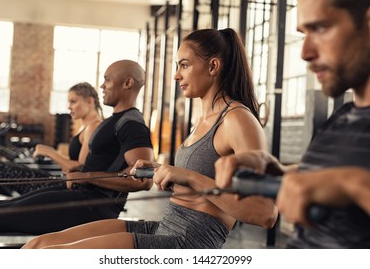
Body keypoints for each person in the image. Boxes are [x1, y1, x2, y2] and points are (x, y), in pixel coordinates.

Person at [23, 28, 278, 249]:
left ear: (213, 66)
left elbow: (265, 213)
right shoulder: (202, 120)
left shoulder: (237, 119)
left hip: (186, 245)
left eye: (184, 65)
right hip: (165, 228)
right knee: (38, 245)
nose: (177, 75)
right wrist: (159, 170)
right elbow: (201, 176)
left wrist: (188, 177)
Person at [215, 0, 370, 248]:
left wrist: (351, 183)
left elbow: (346, 180)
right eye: (303, 34)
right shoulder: (344, 117)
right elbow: (330, 178)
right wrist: (278, 171)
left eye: (320, 28)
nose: (305, 52)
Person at [0, 60, 154, 244]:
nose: (102, 85)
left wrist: (85, 176)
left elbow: (143, 179)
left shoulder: (131, 124)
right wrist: (80, 173)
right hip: (77, 192)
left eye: (107, 80)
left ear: (127, 83)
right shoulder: (116, 120)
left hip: (92, 206)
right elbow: (94, 165)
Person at [0, 82, 103, 206]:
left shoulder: (93, 127)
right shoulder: (86, 126)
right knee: (0, 171)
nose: (69, 107)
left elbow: (80, 168)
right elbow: (76, 164)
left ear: (90, 102)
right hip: (60, 182)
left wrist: (50, 152)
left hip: (64, 187)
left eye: (73, 101)